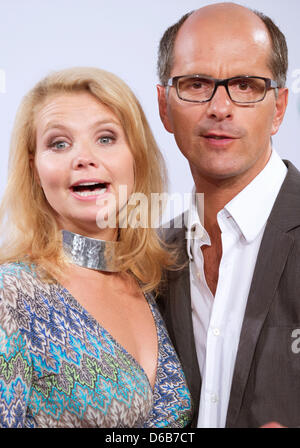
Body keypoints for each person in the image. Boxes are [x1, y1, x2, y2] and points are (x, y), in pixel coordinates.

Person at [0, 67, 192, 428]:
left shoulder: (150, 284)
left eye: (105, 138)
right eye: (59, 143)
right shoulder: (10, 294)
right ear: (35, 168)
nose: (84, 158)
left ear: (135, 154)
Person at [156, 2, 298, 428]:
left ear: (278, 108)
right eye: (197, 84)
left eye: (246, 84)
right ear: (164, 106)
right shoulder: (148, 262)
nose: (220, 107)